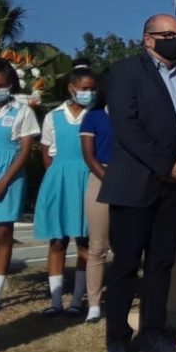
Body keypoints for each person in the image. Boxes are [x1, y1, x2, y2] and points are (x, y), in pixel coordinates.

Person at [99, 14, 176, 352]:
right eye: (167, 34)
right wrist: (167, 164)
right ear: (148, 39)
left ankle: (154, 334)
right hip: (135, 183)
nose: (174, 39)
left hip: (175, 186)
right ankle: (118, 341)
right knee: (126, 264)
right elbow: (127, 126)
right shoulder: (125, 72)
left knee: (162, 263)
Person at [34, 66, 97, 318]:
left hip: (87, 179)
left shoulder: (96, 115)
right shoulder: (54, 116)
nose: (88, 93)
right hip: (59, 180)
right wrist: (57, 179)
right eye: (84, 89)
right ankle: (56, 300)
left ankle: (78, 299)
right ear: (72, 88)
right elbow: (47, 153)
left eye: (93, 89)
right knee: (58, 241)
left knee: (84, 240)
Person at [0, 58, 40, 311]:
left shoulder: (22, 111)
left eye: (1, 85)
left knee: (3, 232)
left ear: (11, 84)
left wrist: (3, 181)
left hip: (10, 176)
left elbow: (25, 151)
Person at [80, 81, 113, 324]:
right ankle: (93, 304)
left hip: (129, 179)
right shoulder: (94, 117)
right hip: (101, 177)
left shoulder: (133, 117)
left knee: (127, 245)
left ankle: (121, 297)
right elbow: (89, 155)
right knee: (98, 245)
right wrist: (108, 178)